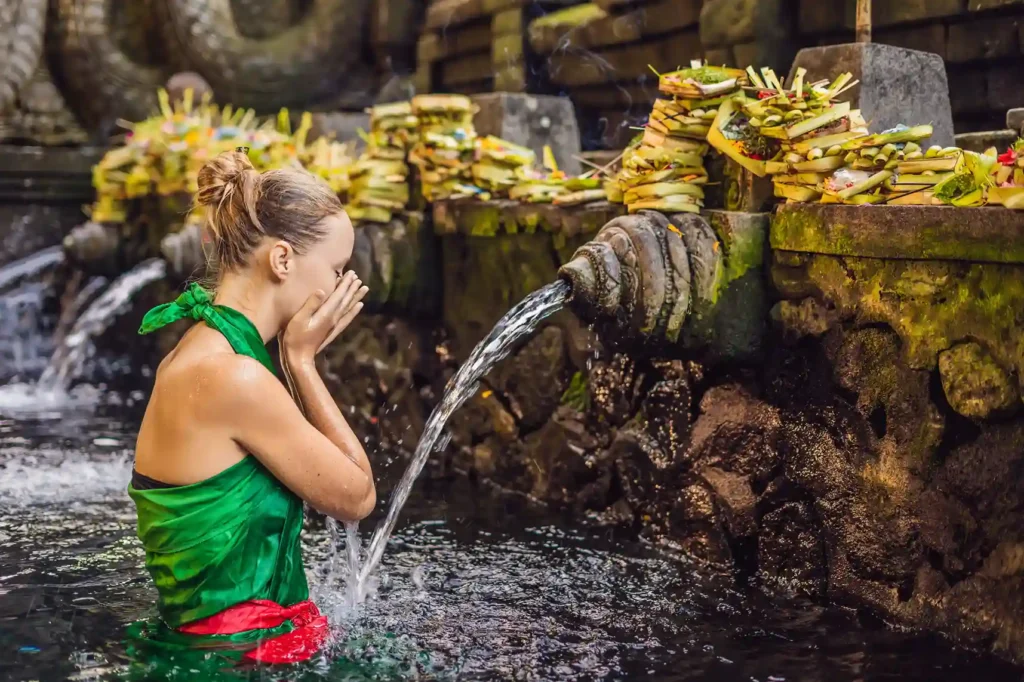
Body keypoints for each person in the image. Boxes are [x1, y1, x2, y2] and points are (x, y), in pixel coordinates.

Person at [128, 149, 374, 665]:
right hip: (235, 661)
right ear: (282, 260)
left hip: (220, 651)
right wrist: (302, 362)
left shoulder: (207, 351)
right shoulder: (232, 376)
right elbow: (356, 498)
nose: (338, 288)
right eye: (336, 268)